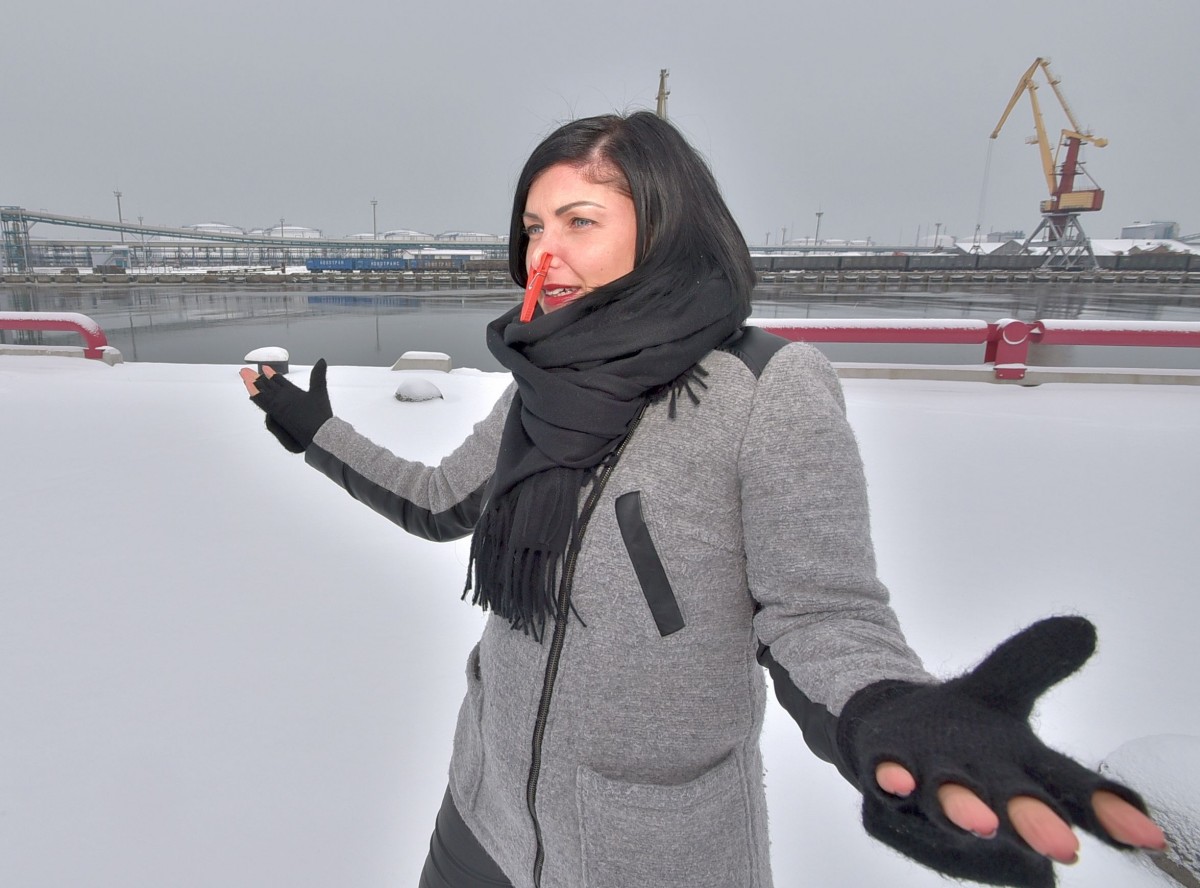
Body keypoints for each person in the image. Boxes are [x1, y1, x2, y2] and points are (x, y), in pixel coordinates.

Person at [240, 111, 1165, 888]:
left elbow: (819, 612)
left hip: (647, 851)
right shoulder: (541, 381)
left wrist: (884, 709)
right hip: (481, 818)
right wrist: (313, 428)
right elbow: (441, 502)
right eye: (533, 227)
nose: (544, 253)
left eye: (579, 221)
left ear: (664, 225)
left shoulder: (766, 390)